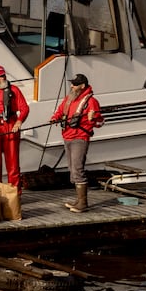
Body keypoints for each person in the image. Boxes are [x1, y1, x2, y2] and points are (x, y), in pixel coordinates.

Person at [50, 73, 104, 211]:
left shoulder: (91, 101)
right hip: (67, 136)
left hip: (80, 138)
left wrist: (93, 118)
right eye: (72, 83)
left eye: (75, 84)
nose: (72, 86)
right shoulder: (69, 98)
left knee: (78, 168)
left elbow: (100, 122)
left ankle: (83, 203)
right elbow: (60, 110)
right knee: (72, 169)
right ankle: (78, 200)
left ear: (82, 86)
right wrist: (54, 118)